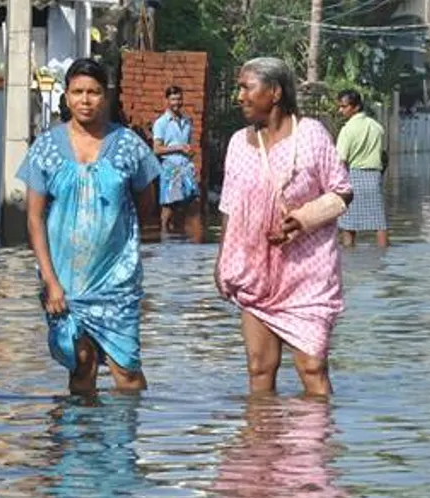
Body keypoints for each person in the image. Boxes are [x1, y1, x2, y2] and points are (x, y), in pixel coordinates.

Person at [18, 58, 161, 395]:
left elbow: (147, 204)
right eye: (78, 92)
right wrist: (51, 281)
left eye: (94, 92)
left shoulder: (129, 146)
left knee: (126, 370)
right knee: (81, 362)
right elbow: (34, 218)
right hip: (64, 279)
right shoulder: (46, 148)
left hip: (117, 279)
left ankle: (124, 444)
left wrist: (122, 240)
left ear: (105, 96)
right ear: (66, 97)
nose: (85, 100)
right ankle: (78, 443)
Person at [215, 57, 353, 397]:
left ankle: (313, 447)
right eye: (240, 88)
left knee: (312, 368)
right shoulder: (238, 143)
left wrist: (303, 219)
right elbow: (230, 207)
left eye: (247, 87)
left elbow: (342, 192)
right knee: (259, 369)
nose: (240, 96)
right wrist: (222, 262)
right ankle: (262, 445)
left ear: (274, 92)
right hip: (256, 272)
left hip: (308, 272)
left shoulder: (312, 135)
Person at [335, 89, 389, 248]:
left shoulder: (347, 130)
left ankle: (350, 258)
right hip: (374, 178)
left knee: (348, 225)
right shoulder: (377, 127)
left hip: (353, 177)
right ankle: (383, 257)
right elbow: (383, 156)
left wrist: (338, 185)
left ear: (356, 107)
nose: (340, 110)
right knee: (379, 224)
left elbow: (341, 160)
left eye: (344, 107)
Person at [151, 85, 200, 233]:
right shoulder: (161, 123)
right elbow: (157, 149)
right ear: (166, 101)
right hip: (170, 167)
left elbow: (187, 145)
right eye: (173, 99)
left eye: (179, 99)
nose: (176, 103)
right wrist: (178, 147)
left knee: (189, 202)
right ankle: (164, 236)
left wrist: (190, 156)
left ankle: (181, 237)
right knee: (169, 205)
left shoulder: (187, 121)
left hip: (185, 167)